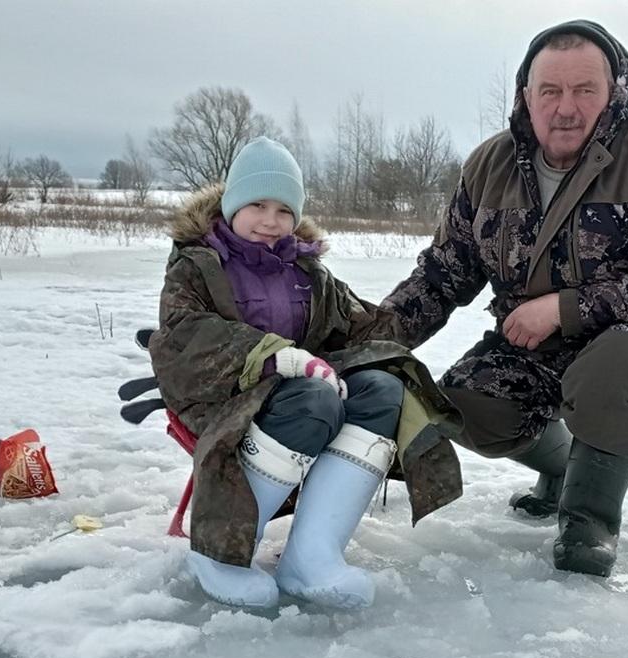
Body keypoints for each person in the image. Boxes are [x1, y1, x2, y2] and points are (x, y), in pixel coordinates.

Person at [380, 20, 628, 577]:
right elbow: (443, 274)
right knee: (465, 407)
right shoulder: (489, 166)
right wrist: (371, 338)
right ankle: (564, 468)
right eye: (551, 91)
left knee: (614, 370)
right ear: (526, 97)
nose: (566, 107)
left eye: (585, 90)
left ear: (614, 93)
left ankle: (590, 520)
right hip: (530, 344)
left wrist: (563, 308)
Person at [148, 137, 462, 610]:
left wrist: (444, 288)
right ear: (233, 203)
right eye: (257, 204)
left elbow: (366, 328)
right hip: (220, 396)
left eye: (283, 209)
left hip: (300, 393)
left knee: (382, 388)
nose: (270, 221)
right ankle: (222, 553)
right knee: (315, 397)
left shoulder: (308, 272)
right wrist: (274, 355)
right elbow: (183, 336)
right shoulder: (198, 265)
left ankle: (311, 557)